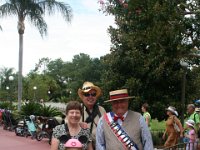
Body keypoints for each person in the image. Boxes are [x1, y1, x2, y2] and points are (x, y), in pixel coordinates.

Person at [78, 81, 106, 148]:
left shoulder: (101, 110)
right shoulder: (77, 110)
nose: (90, 97)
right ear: (82, 96)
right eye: (87, 94)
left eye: (93, 94)